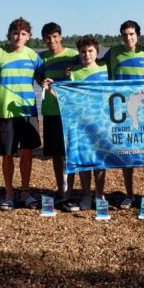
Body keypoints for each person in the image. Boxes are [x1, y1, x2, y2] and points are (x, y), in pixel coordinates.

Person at [0, 17, 43, 211]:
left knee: (27, 153)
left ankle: (25, 193)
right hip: (5, 112)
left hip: (28, 111)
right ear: (9, 35)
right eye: (16, 33)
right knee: (8, 154)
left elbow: (42, 81)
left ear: (29, 37)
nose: (19, 37)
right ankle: (9, 194)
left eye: (23, 33)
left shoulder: (33, 56)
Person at [45, 35, 109, 211]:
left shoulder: (106, 67)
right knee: (84, 159)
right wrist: (51, 89)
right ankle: (86, 195)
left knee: (100, 159)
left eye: (90, 51)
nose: (87, 54)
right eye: (83, 52)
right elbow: (66, 97)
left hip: (101, 120)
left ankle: (100, 194)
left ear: (97, 51)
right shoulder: (73, 72)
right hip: (81, 122)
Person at [101, 20, 144, 207]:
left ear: (138, 34)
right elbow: (96, 67)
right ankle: (129, 194)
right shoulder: (114, 53)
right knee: (126, 154)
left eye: (131, 34)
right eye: (125, 34)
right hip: (122, 111)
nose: (128, 37)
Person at [38, 22, 81, 212]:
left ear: (61, 36)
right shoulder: (41, 58)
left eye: (55, 37)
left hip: (69, 112)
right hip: (49, 110)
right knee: (56, 153)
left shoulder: (73, 55)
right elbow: (38, 78)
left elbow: (83, 76)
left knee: (70, 151)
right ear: (44, 40)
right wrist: (43, 83)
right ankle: (61, 188)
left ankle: (70, 190)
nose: (52, 41)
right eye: (48, 38)